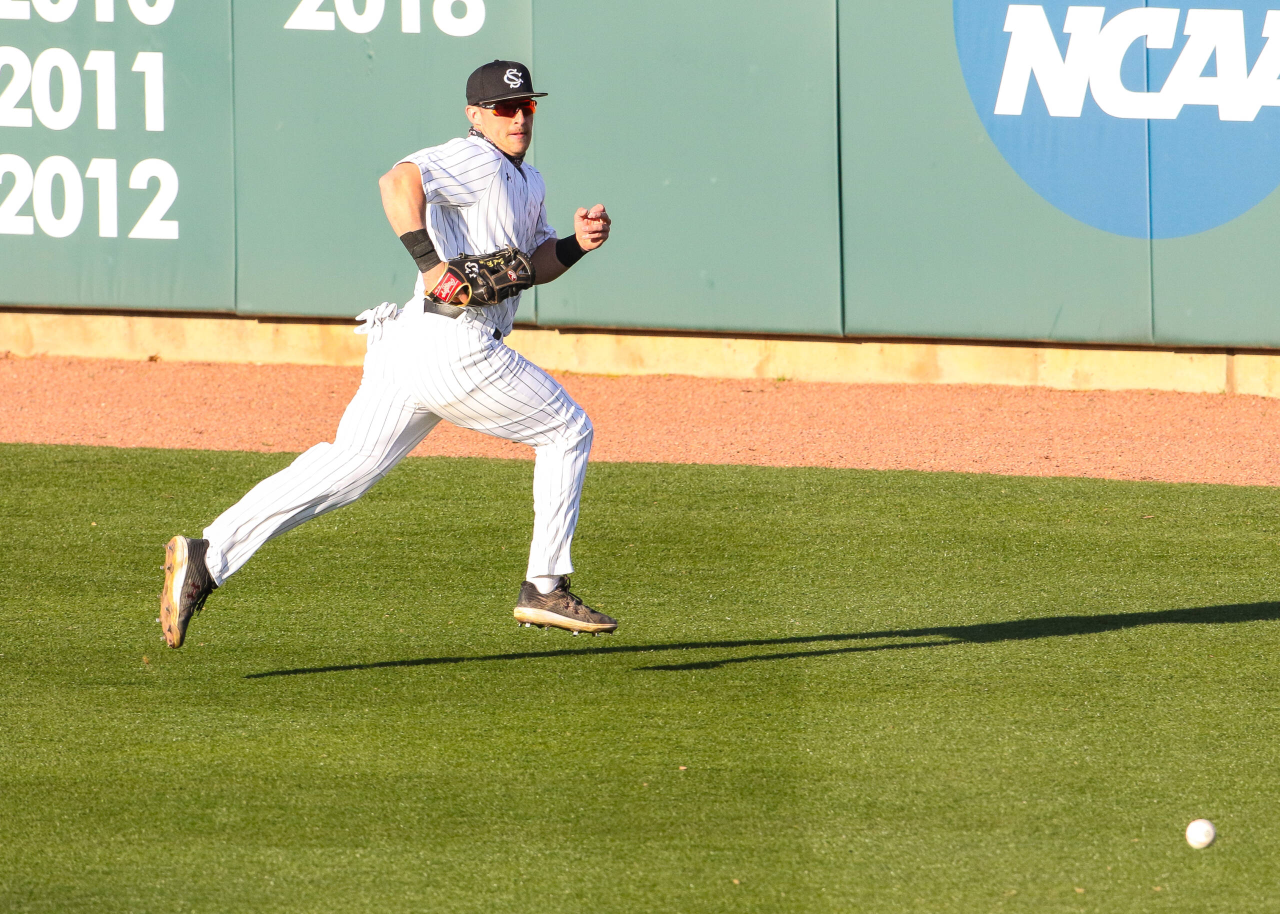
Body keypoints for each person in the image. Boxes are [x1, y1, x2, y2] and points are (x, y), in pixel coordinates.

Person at [160, 60, 616, 648]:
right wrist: (431, 266)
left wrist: (576, 244)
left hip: (412, 347)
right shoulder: (472, 157)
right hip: (456, 344)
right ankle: (544, 585)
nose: (518, 118)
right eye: (504, 109)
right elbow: (397, 182)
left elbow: (531, 265)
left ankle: (206, 554)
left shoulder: (529, 180)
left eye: (526, 106)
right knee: (567, 430)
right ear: (476, 116)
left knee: (344, 469)